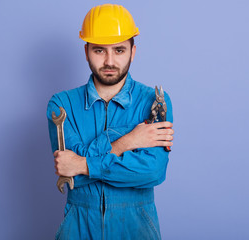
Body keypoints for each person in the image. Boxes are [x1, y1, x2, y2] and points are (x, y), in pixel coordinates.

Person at [47, 4, 174, 240]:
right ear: (86, 51)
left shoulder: (154, 101)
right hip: (78, 228)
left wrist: (83, 164)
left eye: (118, 50)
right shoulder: (61, 104)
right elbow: (69, 173)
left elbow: (152, 171)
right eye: (99, 50)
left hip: (136, 229)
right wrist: (128, 141)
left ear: (132, 52)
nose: (109, 61)